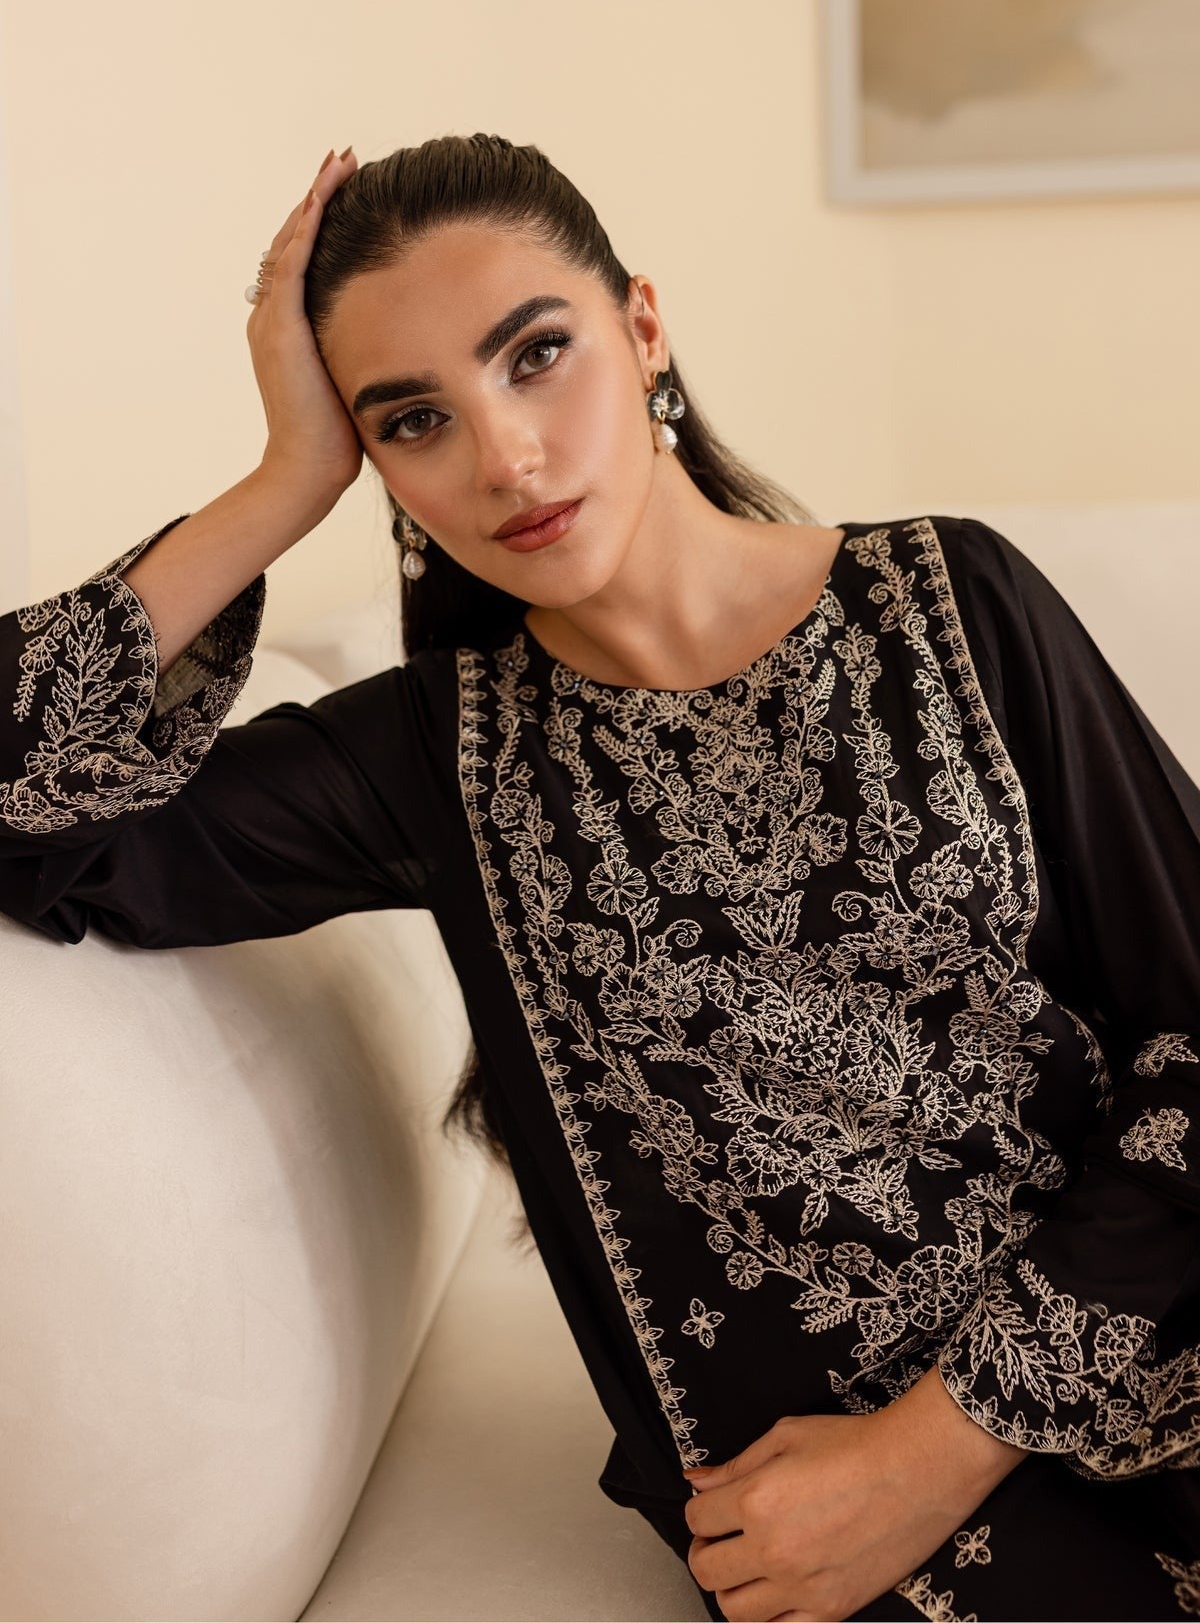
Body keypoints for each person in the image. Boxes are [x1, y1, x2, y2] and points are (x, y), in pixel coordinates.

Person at [2, 133, 1199, 1623]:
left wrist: (938, 1448)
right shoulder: (434, 763)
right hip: (845, 1533)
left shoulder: (953, 599)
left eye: (536, 356)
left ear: (643, 327)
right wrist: (278, 484)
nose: (504, 457)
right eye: (412, 420)